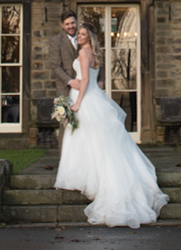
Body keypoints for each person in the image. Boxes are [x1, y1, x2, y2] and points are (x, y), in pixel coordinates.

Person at [53, 25, 169, 228]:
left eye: (82, 34)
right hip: (95, 96)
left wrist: (78, 102)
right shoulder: (96, 54)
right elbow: (96, 80)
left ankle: (88, 179)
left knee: (88, 139)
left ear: (88, 37)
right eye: (78, 34)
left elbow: (87, 79)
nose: (79, 36)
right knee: (97, 139)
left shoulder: (82, 52)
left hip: (86, 98)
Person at [46, 10, 80, 99]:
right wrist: (70, 81)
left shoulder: (84, 37)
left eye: (72, 23)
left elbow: (97, 60)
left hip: (84, 87)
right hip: (65, 89)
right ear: (62, 25)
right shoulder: (56, 41)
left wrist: (101, 80)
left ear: (76, 21)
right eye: (67, 24)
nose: (71, 26)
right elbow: (56, 66)